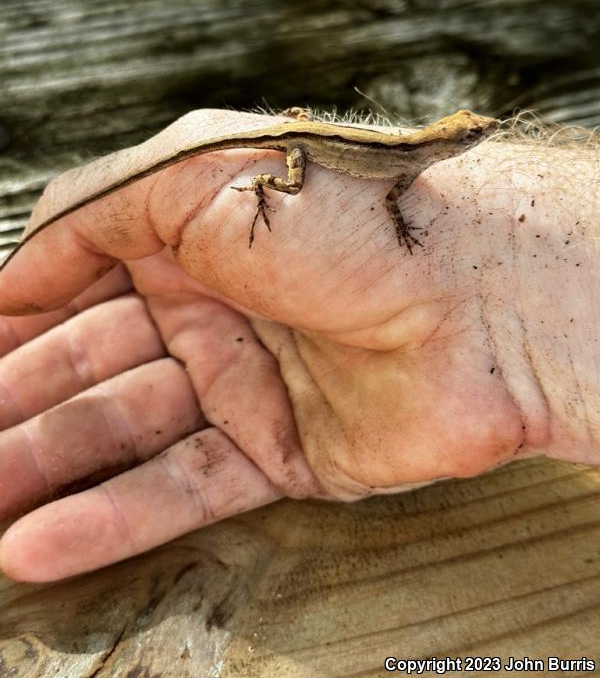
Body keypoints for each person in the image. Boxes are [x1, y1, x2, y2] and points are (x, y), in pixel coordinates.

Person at [0, 109, 596, 583]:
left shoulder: (416, 157)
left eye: (475, 133)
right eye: (471, 134)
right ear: (448, 142)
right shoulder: (408, 163)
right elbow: (391, 204)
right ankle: (262, 184)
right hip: (297, 143)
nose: (480, 137)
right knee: (288, 182)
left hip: (301, 129)